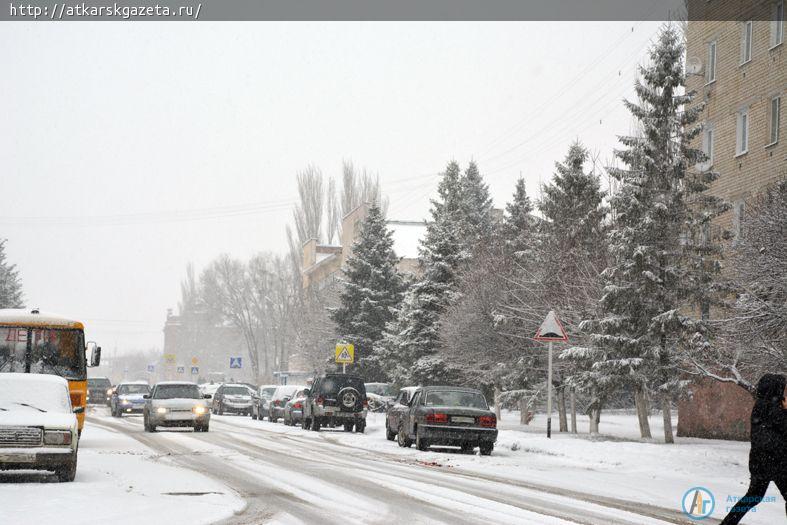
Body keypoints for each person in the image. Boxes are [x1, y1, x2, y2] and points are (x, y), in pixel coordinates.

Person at [720, 373, 787, 524]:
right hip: (775, 461)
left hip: (760, 461)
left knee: (753, 497)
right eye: (782, 387)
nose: (783, 391)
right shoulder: (773, 407)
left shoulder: (760, 405)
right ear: (775, 389)